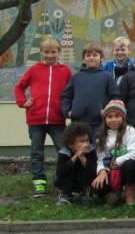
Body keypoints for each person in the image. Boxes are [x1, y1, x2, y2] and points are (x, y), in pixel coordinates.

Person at [14, 37, 72, 197]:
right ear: (41, 52)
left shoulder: (65, 71)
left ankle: (61, 180)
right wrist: (23, 102)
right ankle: (39, 183)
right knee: (37, 152)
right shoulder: (34, 70)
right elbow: (19, 87)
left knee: (64, 151)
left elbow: (71, 92)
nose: (50, 55)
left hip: (57, 120)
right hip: (36, 119)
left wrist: (68, 109)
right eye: (46, 52)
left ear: (59, 53)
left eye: (53, 52)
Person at [61, 42, 120, 139]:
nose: (91, 58)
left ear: (101, 58)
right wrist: (67, 111)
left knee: (97, 151)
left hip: (99, 124)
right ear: (84, 58)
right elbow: (66, 96)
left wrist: (107, 111)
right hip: (78, 123)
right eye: (88, 55)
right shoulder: (76, 77)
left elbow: (115, 97)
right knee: (79, 150)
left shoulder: (107, 76)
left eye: (95, 55)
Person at [92, 100, 135, 206]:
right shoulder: (101, 135)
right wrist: (102, 171)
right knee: (98, 185)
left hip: (125, 169)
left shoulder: (130, 131)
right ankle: (113, 194)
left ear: (123, 117)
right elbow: (101, 158)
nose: (113, 119)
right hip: (109, 169)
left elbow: (133, 154)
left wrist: (116, 162)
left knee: (131, 164)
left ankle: (129, 195)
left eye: (117, 116)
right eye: (110, 117)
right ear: (105, 119)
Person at [54, 122, 97, 206]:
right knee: (66, 171)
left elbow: (93, 171)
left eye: (87, 140)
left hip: (84, 179)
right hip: (68, 179)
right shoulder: (64, 152)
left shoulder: (91, 151)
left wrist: (82, 157)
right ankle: (65, 195)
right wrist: (76, 156)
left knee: (87, 172)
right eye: (82, 141)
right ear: (70, 144)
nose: (86, 144)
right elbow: (60, 172)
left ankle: (85, 194)